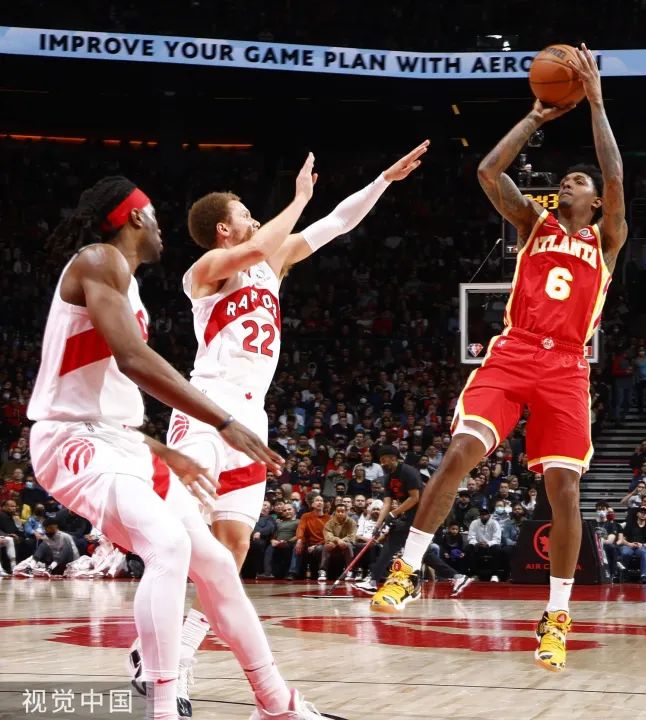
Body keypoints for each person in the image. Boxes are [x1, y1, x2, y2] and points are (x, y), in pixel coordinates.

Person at [368, 45, 627, 673]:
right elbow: (489, 171)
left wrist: (595, 102)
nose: (568, 183)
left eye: (579, 183)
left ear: (595, 203)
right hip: (513, 354)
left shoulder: (606, 239)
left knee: (565, 490)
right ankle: (407, 567)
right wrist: (536, 116)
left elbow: (616, 177)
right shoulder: (534, 225)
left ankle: (556, 617)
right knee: (461, 451)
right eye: (565, 180)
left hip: (567, 367)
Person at [29, 176, 323, 719]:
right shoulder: (99, 259)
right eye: (155, 217)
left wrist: (161, 452)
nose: (164, 228)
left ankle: (277, 704)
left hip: (117, 439)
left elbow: (108, 396)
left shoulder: (128, 286)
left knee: (217, 563)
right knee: (168, 546)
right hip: (69, 439)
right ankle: (163, 705)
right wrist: (221, 420)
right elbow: (133, 361)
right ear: (135, 218)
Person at [144, 143, 426, 709]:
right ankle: (155, 659)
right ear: (224, 229)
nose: (255, 219)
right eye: (246, 212)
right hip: (206, 409)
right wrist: (297, 198)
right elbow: (259, 243)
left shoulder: (271, 265)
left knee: (233, 546)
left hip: (253, 417)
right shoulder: (204, 272)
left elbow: (336, 223)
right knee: (181, 538)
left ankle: (185, 650)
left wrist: (382, 180)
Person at [357, 446, 423, 593]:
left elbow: (415, 498)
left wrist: (394, 514)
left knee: (393, 545)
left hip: (421, 514)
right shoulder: (388, 478)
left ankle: (373, 580)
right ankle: (456, 575)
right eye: (380, 461)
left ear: (393, 458)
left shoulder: (408, 472)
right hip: (407, 516)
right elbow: (387, 503)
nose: (382, 463)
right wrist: (377, 525)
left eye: (384, 460)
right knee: (396, 547)